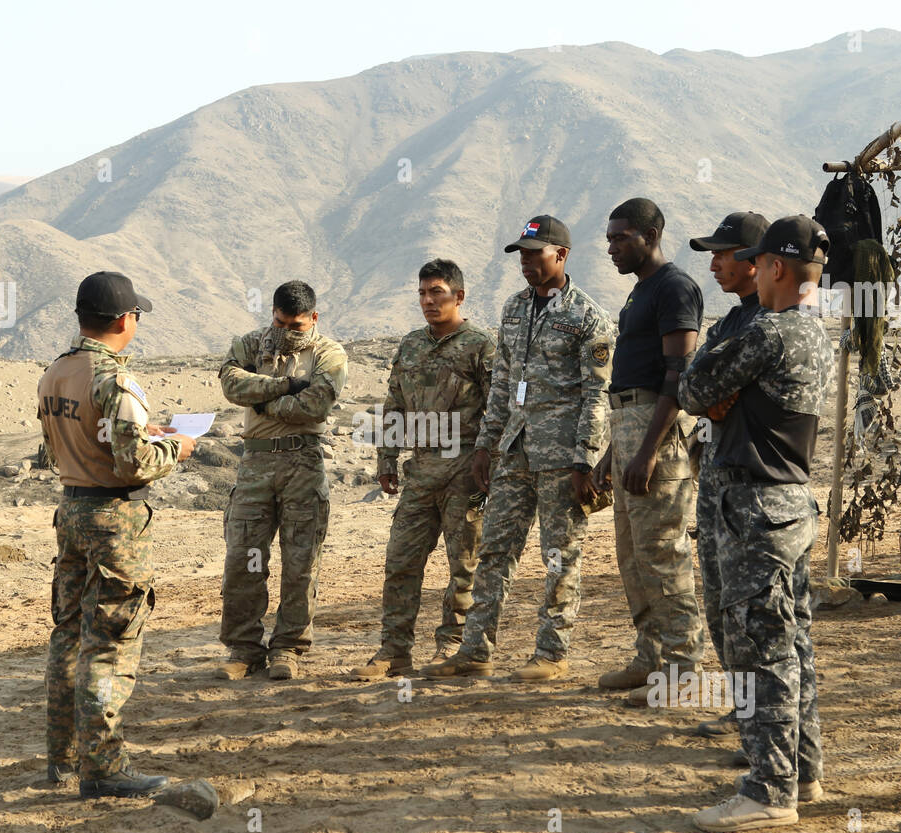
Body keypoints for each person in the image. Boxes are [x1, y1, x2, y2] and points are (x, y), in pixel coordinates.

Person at [678, 215, 836, 833]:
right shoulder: (815, 333)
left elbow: (693, 390)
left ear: (772, 267)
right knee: (792, 642)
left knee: (759, 649)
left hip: (755, 511)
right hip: (790, 503)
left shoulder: (769, 333)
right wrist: (727, 393)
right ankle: (802, 768)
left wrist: (722, 390)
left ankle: (770, 791)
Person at [423, 215, 613, 682]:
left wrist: (584, 459)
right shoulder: (513, 309)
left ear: (561, 256)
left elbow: (596, 394)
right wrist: (487, 445)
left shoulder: (588, 317)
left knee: (559, 555)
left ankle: (551, 653)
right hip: (514, 451)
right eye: (523, 255)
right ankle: (475, 650)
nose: (527, 263)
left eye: (536, 254)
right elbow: (504, 385)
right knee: (494, 552)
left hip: (561, 458)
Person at [39, 271, 195, 799]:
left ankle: (62, 758)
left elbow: (60, 448)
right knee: (109, 642)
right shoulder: (116, 382)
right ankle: (104, 769)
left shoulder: (55, 374)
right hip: (113, 521)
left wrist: (136, 436)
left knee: (69, 635)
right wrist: (177, 446)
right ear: (125, 320)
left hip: (72, 511)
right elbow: (135, 468)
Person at [351, 260, 495, 679]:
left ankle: (454, 646)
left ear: (459, 297)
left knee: (464, 564)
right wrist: (386, 459)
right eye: (422, 293)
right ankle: (394, 650)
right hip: (421, 470)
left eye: (437, 292)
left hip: (466, 468)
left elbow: (497, 409)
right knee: (401, 562)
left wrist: (492, 464)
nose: (428, 301)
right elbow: (395, 403)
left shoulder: (480, 346)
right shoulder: (411, 345)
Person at [593, 198, 707, 705]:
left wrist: (647, 451)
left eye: (622, 237)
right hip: (627, 426)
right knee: (632, 554)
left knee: (663, 553)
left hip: (656, 431)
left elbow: (678, 375)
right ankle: (651, 657)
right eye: (610, 238)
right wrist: (613, 453)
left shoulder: (674, 288)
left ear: (652, 234)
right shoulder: (640, 293)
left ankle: (685, 669)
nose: (612, 247)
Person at [214, 280, 348, 681]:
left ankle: (288, 647)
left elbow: (316, 404)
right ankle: (244, 648)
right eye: (279, 322)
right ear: (271, 313)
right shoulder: (251, 344)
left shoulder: (329, 353)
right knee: (244, 558)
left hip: (302, 463)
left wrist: (261, 399)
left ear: (314, 319)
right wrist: (285, 386)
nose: (286, 332)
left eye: (296, 326)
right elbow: (230, 383)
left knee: (301, 560)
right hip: (255, 464)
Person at [686, 211, 770, 738]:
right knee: (718, 601)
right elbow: (693, 387)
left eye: (723, 254)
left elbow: (718, 390)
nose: (714, 264)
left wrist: (718, 393)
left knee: (752, 613)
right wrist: (713, 393)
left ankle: (764, 722)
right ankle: (743, 710)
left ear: (755, 260)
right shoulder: (726, 325)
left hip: (751, 486)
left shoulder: (770, 323)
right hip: (714, 480)